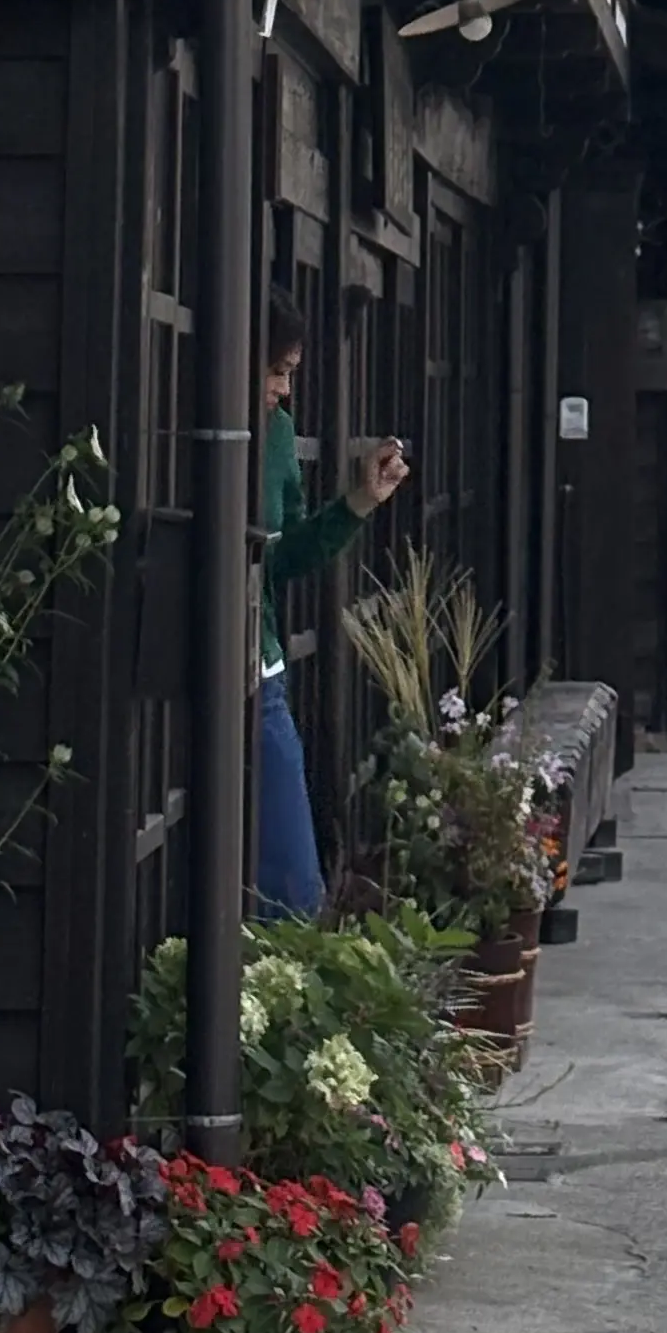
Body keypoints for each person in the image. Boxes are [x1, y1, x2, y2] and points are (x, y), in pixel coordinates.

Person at [257, 289, 409, 918]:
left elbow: (284, 555)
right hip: (195, 660)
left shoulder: (278, 432)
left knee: (292, 874)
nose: (284, 391)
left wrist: (358, 503)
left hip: (261, 663)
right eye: (278, 372)